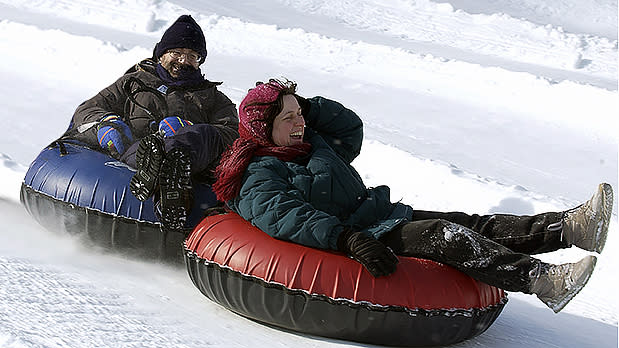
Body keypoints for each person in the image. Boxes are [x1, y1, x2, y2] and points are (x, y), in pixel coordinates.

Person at [212, 78, 614, 313]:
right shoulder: (256, 172)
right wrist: (348, 239)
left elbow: (349, 129)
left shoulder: (313, 144)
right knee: (443, 235)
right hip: (357, 236)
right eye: (289, 117)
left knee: (469, 223)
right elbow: (288, 217)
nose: (299, 122)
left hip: (376, 214)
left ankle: (571, 228)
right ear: (264, 127)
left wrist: (308, 107)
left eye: (300, 114)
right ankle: (545, 282)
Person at [62, 15, 239, 230]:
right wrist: (106, 122)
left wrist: (189, 130)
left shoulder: (214, 98)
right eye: (177, 53)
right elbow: (88, 109)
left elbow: (231, 134)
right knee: (148, 149)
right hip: (138, 151)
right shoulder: (133, 83)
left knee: (204, 135)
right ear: (161, 54)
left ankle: (173, 175)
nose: (184, 60)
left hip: (191, 160)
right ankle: (157, 169)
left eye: (192, 55)